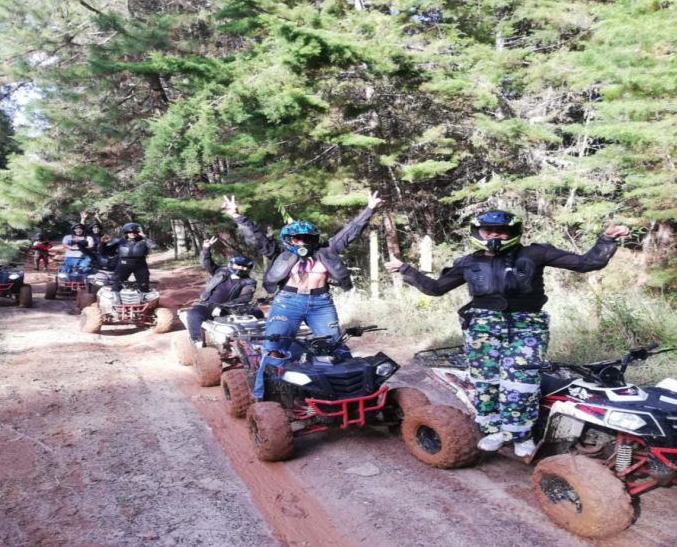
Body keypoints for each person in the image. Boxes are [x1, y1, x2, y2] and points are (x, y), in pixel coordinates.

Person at [384, 210, 630, 457]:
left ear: (513, 233)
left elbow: (588, 263)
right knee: (485, 381)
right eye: (488, 231)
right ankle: (493, 430)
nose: (494, 236)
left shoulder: (535, 253)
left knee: (522, 382)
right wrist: (407, 270)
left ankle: (520, 435)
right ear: (477, 232)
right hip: (482, 326)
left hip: (527, 326)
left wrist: (607, 240)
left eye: (501, 231)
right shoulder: (468, 262)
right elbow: (436, 288)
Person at [222, 191, 384, 399]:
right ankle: (263, 396)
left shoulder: (327, 251)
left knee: (334, 346)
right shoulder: (280, 252)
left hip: (321, 303)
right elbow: (258, 239)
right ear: (289, 239)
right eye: (298, 238)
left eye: (308, 238)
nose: (303, 242)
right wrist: (238, 216)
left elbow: (349, 232)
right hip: (288, 303)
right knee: (275, 348)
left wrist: (369, 209)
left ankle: (347, 393)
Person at [185, 236, 263, 347]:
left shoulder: (249, 281)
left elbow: (244, 298)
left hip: (231, 307)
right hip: (208, 304)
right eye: (238, 265)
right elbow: (207, 264)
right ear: (232, 264)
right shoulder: (221, 271)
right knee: (193, 313)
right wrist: (206, 249)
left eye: (245, 267)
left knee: (257, 313)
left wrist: (223, 307)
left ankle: (260, 341)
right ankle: (197, 340)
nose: (241, 268)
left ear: (249, 269)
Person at [99, 222, 155, 302]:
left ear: (138, 232)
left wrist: (144, 236)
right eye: (129, 232)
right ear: (126, 233)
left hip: (140, 264)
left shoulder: (143, 241)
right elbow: (104, 252)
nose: (132, 234)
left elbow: (153, 246)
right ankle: (116, 303)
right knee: (116, 284)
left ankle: (143, 305)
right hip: (124, 264)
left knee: (144, 285)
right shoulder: (120, 241)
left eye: (135, 232)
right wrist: (102, 243)